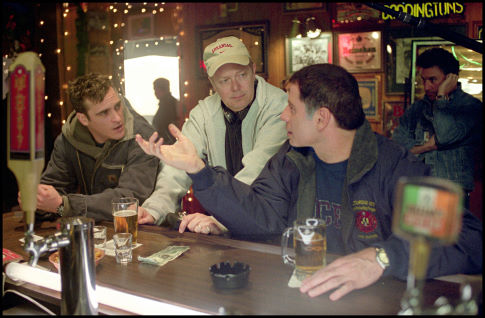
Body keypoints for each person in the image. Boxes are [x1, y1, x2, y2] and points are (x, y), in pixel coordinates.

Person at [136, 64, 482, 301]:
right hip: (304, 298)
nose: (283, 115)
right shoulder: (292, 159)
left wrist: (381, 258)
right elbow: (259, 215)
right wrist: (199, 170)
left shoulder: (394, 167)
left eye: (290, 107)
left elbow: (468, 239)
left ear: (321, 118)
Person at [136, 36, 288, 231]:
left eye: (241, 75)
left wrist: (224, 217)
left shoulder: (279, 106)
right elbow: (178, 167)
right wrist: (155, 208)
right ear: (212, 83)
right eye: (224, 80)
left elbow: (257, 169)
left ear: (252, 69)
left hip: (273, 223)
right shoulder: (203, 113)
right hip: (227, 218)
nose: (235, 87)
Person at [18, 73, 159, 221]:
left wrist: (64, 205)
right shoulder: (68, 140)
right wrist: (37, 200)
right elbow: (54, 189)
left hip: (144, 230)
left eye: (117, 106)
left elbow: (129, 199)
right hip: (94, 230)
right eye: (104, 113)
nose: (117, 118)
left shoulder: (143, 138)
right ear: (83, 119)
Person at [392, 48, 482, 209]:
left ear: (450, 78)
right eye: (423, 80)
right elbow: (397, 149)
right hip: (417, 189)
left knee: (452, 235)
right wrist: (428, 146)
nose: (426, 87)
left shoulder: (470, 107)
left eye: (433, 80)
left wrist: (441, 97)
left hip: (452, 194)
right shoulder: (416, 109)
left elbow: (444, 135)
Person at [152, 77, 180, 145]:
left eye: (156, 89)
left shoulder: (168, 104)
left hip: (168, 145)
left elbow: (166, 127)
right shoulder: (167, 103)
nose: (155, 93)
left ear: (163, 89)